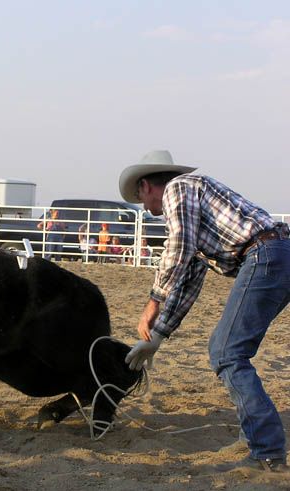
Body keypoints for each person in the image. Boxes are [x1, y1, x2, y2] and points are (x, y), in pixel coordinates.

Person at [120, 149, 290, 472]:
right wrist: (158, 335)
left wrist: (153, 300)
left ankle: (267, 449)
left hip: (263, 254)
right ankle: (257, 435)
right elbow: (189, 281)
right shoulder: (195, 202)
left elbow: (179, 246)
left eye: (140, 197)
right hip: (277, 253)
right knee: (231, 351)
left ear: (147, 185)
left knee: (226, 352)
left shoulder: (178, 189)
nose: (144, 206)